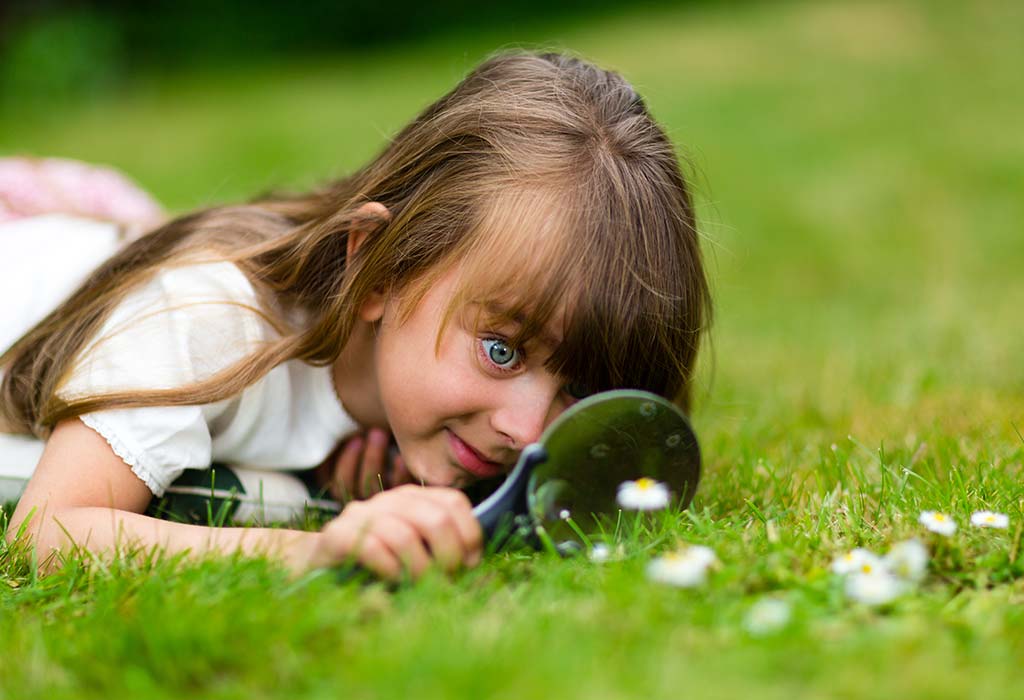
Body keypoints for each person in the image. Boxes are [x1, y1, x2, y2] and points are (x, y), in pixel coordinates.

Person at [0, 51, 712, 580]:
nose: (527, 433)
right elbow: (47, 531)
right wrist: (312, 548)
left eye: (578, 392)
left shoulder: (409, 402)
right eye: (501, 350)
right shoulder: (208, 318)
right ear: (378, 266)